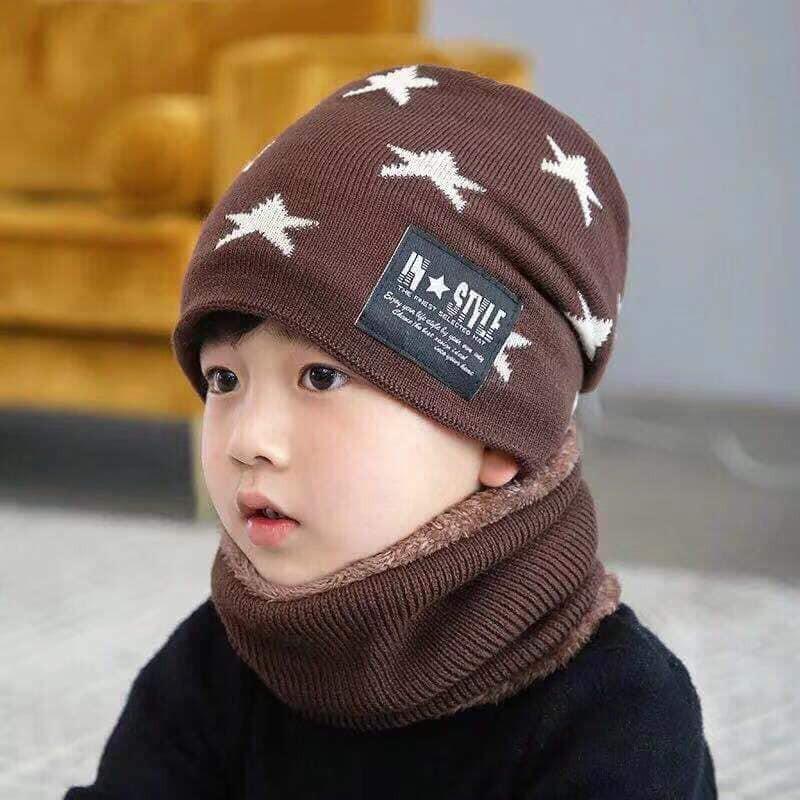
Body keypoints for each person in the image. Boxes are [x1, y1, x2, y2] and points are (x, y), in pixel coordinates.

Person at [64, 63, 718, 798]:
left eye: (321, 377)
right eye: (224, 380)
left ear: (500, 435)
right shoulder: (217, 667)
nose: (248, 439)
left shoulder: (620, 718)